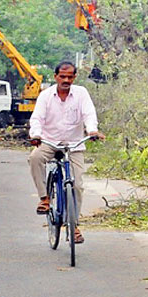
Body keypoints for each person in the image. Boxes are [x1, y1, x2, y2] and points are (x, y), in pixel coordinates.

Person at [27, 61, 104, 245]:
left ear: (74, 77)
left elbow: (89, 114)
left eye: (70, 77)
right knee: (35, 158)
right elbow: (37, 118)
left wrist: (92, 130)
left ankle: (74, 226)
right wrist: (35, 135)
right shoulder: (46, 96)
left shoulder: (81, 93)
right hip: (49, 141)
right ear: (56, 77)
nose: (66, 80)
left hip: (74, 145)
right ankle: (44, 199)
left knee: (77, 185)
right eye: (63, 76)